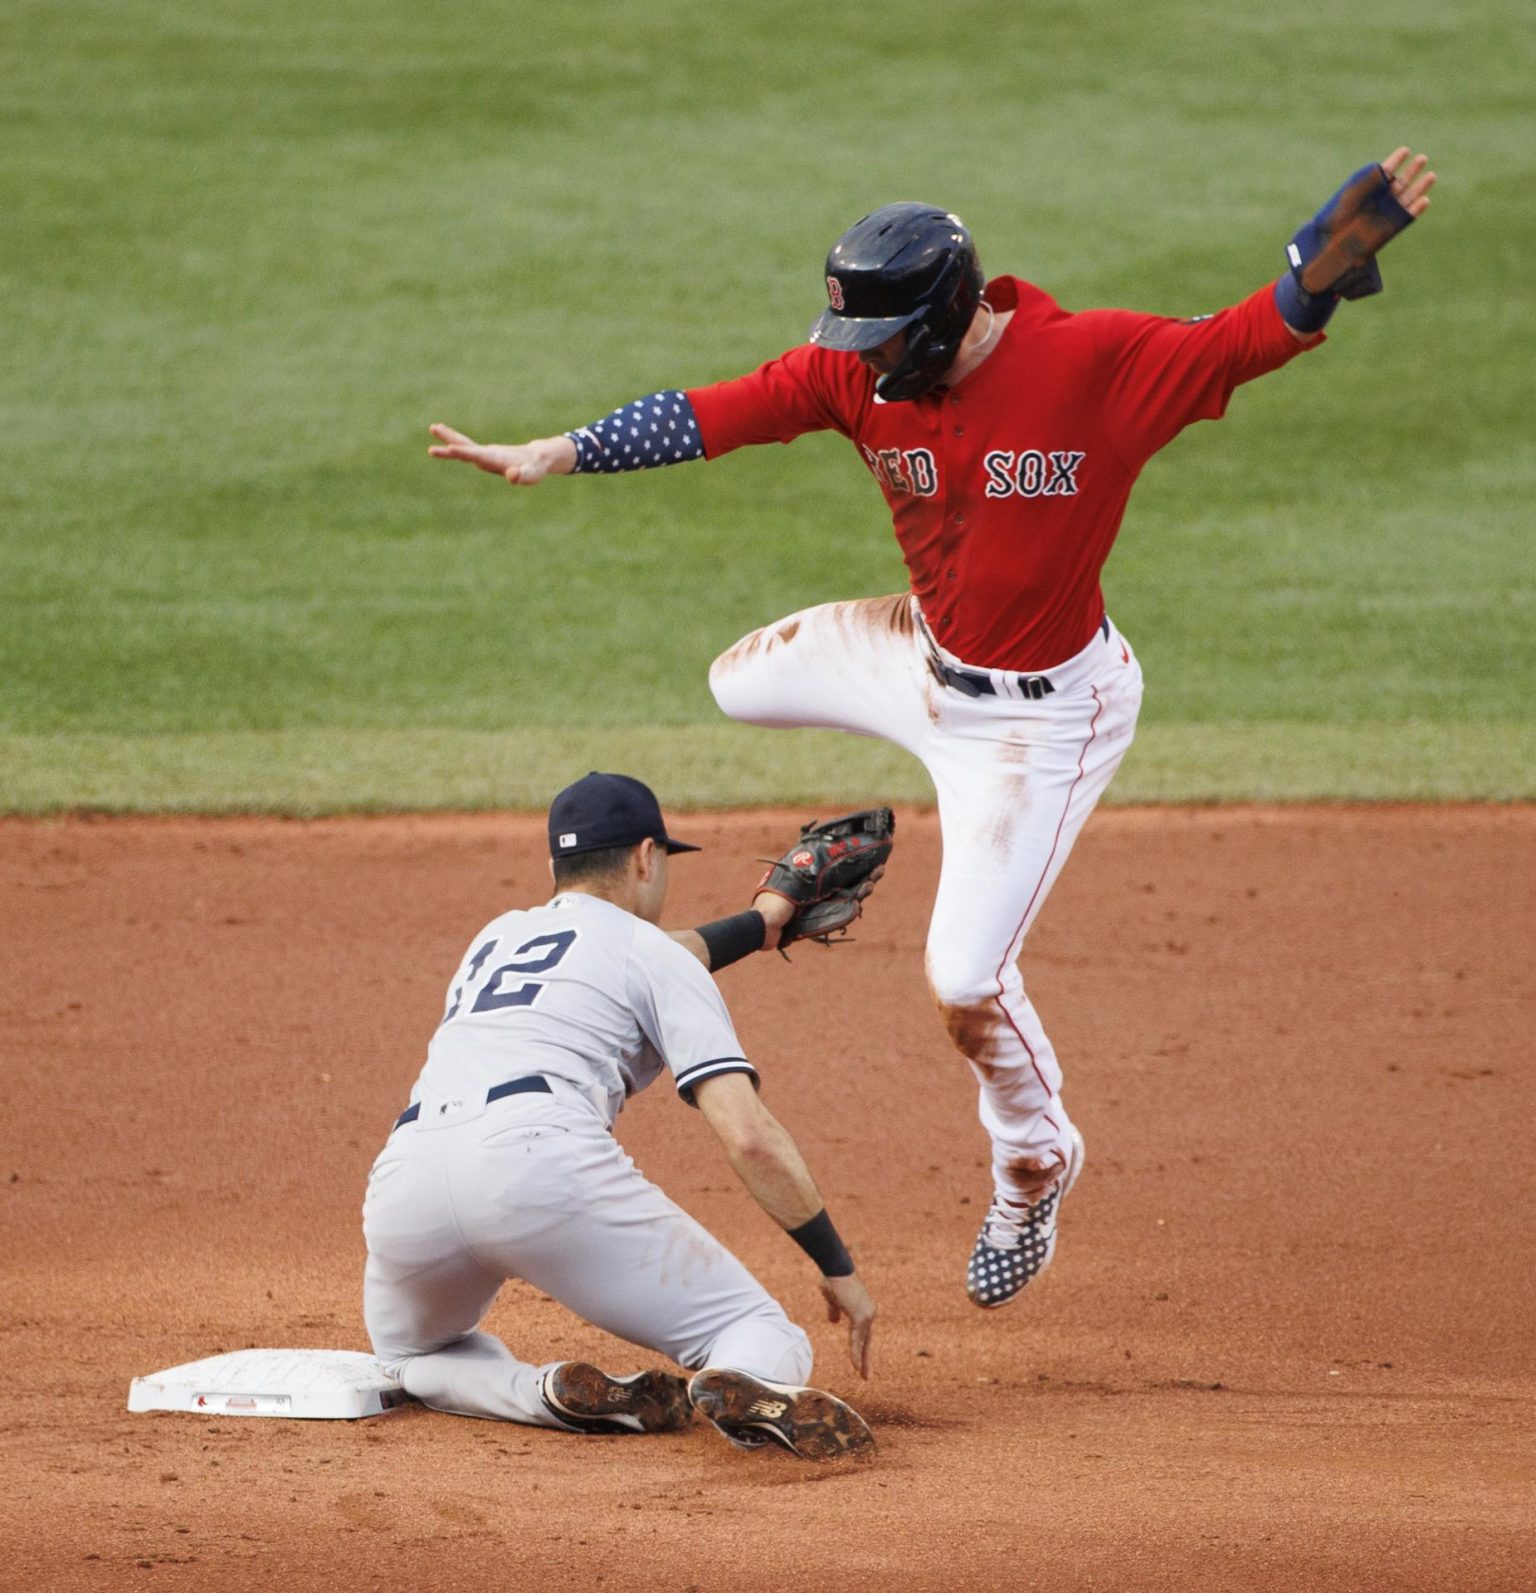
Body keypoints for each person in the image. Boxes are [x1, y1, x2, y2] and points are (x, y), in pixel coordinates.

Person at [425, 151, 1435, 1309]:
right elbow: (724, 411)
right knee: (734, 685)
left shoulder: (1094, 366)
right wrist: (560, 450)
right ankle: (922, 664)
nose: (857, 367)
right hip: (923, 658)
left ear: (948, 317)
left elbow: (1244, 340)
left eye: (881, 342)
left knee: (962, 978)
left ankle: (1034, 1162)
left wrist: (1313, 275)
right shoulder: (860, 376)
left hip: (1043, 725)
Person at [362, 772, 877, 1460]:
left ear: (555, 866)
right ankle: (744, 1380)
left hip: (407, 1179)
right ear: (645, 856)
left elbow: (637, 955)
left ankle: (542, 1390)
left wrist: (761, 924)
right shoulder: (652, 953)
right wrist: (835, 1263)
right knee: (759, 1326)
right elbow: (748, 1134)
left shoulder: (495, 938)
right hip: (537, 1167)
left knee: (405, 1357)